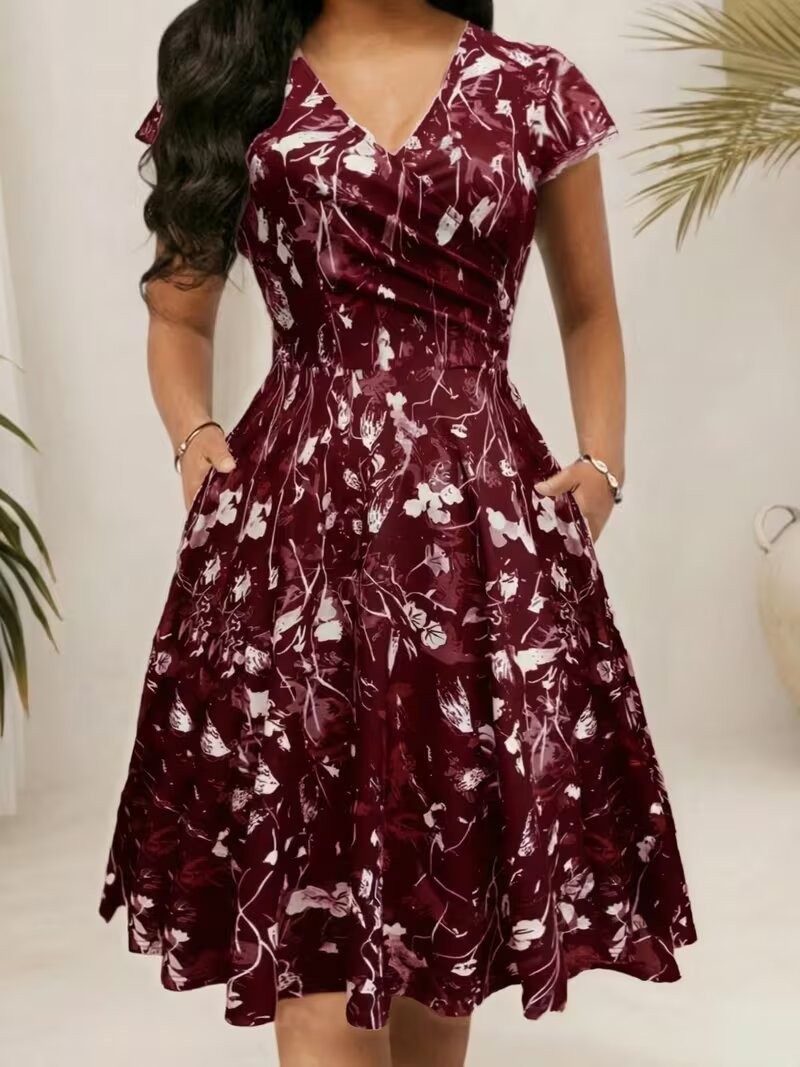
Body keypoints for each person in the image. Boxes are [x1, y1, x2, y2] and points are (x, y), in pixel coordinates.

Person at [99, 2, 697, 1064]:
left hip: (475, 542)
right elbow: (179, 309)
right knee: (311, 937)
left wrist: (602, 464)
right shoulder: (234, 75)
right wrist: (193, 437)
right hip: (293, 540)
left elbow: (589, 309)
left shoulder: (532, 87)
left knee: (440, 906)